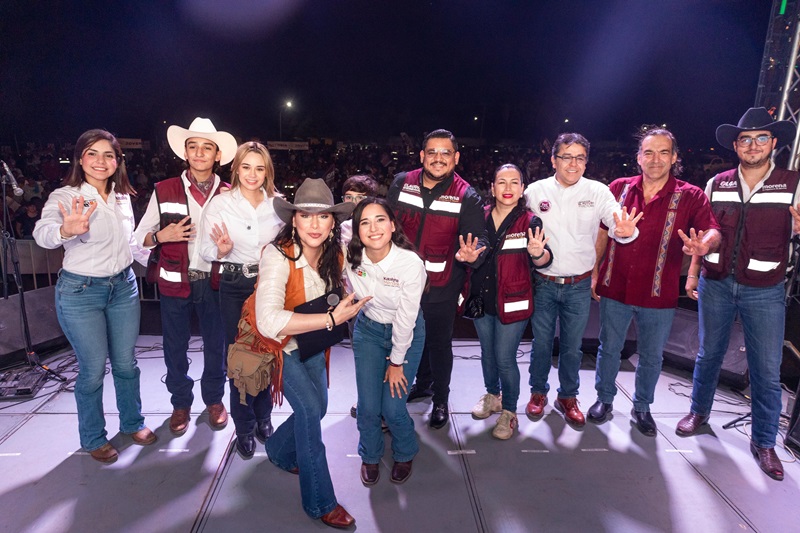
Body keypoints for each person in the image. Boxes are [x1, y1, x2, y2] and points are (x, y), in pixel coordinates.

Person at [676, 108, 800, 481]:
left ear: (773, 143)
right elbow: (706, 234)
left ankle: (764, 442)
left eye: (761, 138)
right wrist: (694, 271)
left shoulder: (792, 183)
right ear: (736, 145)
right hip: (715, 283)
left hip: (765, 290)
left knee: (765, 368)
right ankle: (698, 412)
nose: (753, 145)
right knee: (708, 354)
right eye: (746, 139)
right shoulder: (717, 184)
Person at [33, 129, 154, 464]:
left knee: (126, 363)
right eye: (92, 153)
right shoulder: (67, 196)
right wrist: (65, 230)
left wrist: (159, 256)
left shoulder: (121, 196)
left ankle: (132, 422)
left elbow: (130, 244)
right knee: (92, 369)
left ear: (118, 161)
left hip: (123, 287)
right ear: (80, 158)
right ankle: (93, 437)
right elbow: (42, 234)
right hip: (81, 292)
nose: (101, 161)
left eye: (108, 155)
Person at [588, 128, 720, 436]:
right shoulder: (618, 188)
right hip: (615, 286)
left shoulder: (691, 195)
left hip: (658, 292)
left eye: (663, 152)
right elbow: (602, 232)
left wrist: (704, 246)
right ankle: (604, 399)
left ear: (674, 158)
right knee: (609, 348)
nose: (655, 159)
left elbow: (712, 230)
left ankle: (642, 407)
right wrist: (595, 271)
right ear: (638, 158)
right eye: (648, 152)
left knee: (651, 356)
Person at [256, 178, 369, 528]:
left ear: (333, 222)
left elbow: (368, 276)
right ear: (294, 220)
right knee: (308, 413)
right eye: (306, 216)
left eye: (322, 216)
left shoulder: (337, 253)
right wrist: (332, 319)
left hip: (313, 344)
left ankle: (278, 451)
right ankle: (321, 502)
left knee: (318, 407)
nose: (314, 224)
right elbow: (267, 321)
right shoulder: (277, 255)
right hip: (279, 347)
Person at [523, 133, 642, 428]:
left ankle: (568, 396)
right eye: (567, 157)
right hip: (543, 282)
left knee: (572, 347)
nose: (573, 163)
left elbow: (616, 220)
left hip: (578, 285)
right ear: (554, 160)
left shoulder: (598, 191)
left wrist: (625, 230)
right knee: (541, 344)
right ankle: (538, 393)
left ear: (586, 162)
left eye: (580, 158)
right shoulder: (535, 192)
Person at [134, 117, 238, 435]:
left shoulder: (230, 193)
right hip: (174, 282)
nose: (199, 153)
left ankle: (214, 399)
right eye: (193, 146)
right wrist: (160, 236)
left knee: (216, 345)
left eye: (207, 147)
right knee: (174, 346)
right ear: (185, 152)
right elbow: (140, 238)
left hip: (215, 282)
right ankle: (180, 403)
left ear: (217, 155)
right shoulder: (164, 189)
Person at [387, 129, 488, 429]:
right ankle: (421, 385)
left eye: (446, 153)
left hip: (442, 284)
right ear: (422, 156)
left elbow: (480, 239)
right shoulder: (401, 182)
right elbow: (386, 224)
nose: (438, 158)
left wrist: (473, 254)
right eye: (432, 152)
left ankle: (441, 399)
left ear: (456, 158)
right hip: (400, 282)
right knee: (403, 338)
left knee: (439, 343)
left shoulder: (467, 195)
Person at [198, 141, 284, 458]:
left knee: (267, 354)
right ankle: (244, 426)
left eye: (259, 168)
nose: (252, 174)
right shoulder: (221, 204)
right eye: (246, 167)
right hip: (234, 284)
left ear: (267, 172)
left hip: (269, 284)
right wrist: (220, 250)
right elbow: (205, 250)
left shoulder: (278, 204)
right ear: (236, 169)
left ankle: (264, 417)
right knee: (240, 360)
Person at [345, 198, 426, 485]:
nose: (373, 228)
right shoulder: (351, 258)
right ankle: (370, 455)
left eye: (380, 220)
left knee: (392, 408)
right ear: (357, 231)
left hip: (406, 334)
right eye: (364, 222)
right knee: (368, 407)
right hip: (368, 331)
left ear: (392, 225)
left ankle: (405, 451)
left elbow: (406, 319)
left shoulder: (410, 264)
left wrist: (396, 362)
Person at [469, 164, 552, 439]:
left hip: (514, 302)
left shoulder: (530, 221)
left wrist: (538, 254)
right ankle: (493, 395)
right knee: (487, 353)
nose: (507, 188)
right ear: (492, 188)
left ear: (522, 188)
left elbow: (544, 259)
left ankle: (509, 411)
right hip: (482, 300)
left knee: (505, 357)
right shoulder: (478, 217)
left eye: (514, 182)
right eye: (501, 182)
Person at [340, 174, 378, 243]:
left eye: (360, 197)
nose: (353, 202)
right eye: (349, 197)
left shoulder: (378, 228)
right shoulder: (343, 228)